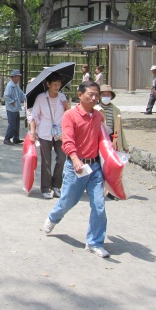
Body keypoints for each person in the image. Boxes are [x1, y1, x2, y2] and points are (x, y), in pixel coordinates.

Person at [43, 81, 110, 258]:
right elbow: (68, 141)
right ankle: (53, 218)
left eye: (97, 95)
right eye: (91, 94)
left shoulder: (97, 116)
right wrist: (74, 159)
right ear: (80, 95)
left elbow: (103, 140)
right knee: (67, 201)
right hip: (76, 167)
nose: (95, 98)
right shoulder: (70, 116)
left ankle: (94, 242)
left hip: (94, 167)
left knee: (99, 205)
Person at [28, 73, 70, 199]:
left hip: (59, 133)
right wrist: (33, 132)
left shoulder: (63, 97)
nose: (57, 87)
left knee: (62, 158)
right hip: (45, 132)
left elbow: (69, 116)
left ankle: (56, 185)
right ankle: (45, 187)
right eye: (55, 84)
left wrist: (67, 107)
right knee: (46, 161)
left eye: (59, 84)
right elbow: (33, 115)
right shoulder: (41, 98)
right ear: (48, 84)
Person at [95, 84, 129, 200]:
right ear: (99, 96)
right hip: (99, 139)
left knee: (112, 167)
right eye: (103, 94)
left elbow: (120, 129)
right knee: (99, 165)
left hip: (112, 139)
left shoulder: (116, 110)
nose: (105, 96)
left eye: (108, 95)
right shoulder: (95, 109)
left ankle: (111, 191)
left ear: (111, 96)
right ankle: (98, 189)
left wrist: (124, 144)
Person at [3, 70, 26, 145]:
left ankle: (16, 138)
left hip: (16, 108)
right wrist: (12, 102)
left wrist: (27, 98)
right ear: (13, 77)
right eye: (17, 77)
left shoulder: (16, 85)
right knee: (12, 125)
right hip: (11, 109)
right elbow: (6, 96)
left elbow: (21, 94)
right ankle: (7, 139)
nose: (18, 78)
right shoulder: (10, 86)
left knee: (17, 124)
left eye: (18, 77)